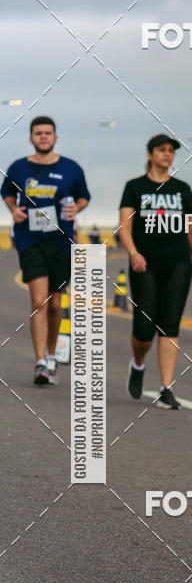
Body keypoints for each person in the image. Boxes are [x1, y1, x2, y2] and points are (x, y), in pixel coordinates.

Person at [118, 134, 192, 409]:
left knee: (169, 324)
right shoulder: (134, 187)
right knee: (144, 329)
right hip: (144, 264)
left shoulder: (182, 189)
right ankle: (138, 364)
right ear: (150, 154)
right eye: (162, 150)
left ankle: (166, 388)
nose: (167, 154)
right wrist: (133, 253)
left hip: (178, 263)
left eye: (171, 150)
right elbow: (124, 227)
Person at [1, 116, 90, 384]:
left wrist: (77, 207)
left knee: (55, 304)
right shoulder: (19, 168)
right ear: (31, 138)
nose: (43, 137)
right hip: (30, 241)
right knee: (39, 302)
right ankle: (40, 363)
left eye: (47, 133)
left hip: (60, 242)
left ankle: (52, 355)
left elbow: (84, 196)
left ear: (55, 137)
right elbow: (6, 192)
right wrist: (13, 209)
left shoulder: (71, 168)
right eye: (38, 133)